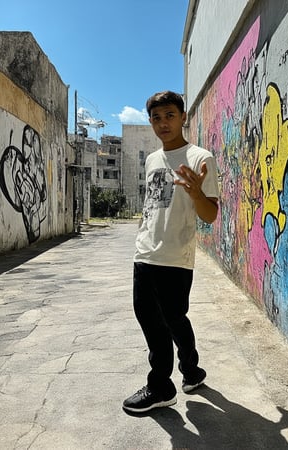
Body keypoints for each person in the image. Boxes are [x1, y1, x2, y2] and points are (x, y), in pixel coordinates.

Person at [122, 91, 219, 413]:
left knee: (169, 319)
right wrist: (141, 238)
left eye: (169, 115)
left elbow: (210, 215)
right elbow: (153, 205)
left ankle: (161, 387)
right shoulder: (152, 160)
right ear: (150, 121)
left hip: (176, 256)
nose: (163, 123)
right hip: (144, 253)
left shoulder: (200, 158)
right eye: (156, 117)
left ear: (182, 118)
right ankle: (189, 373)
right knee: (158, 321)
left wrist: (195, 192)